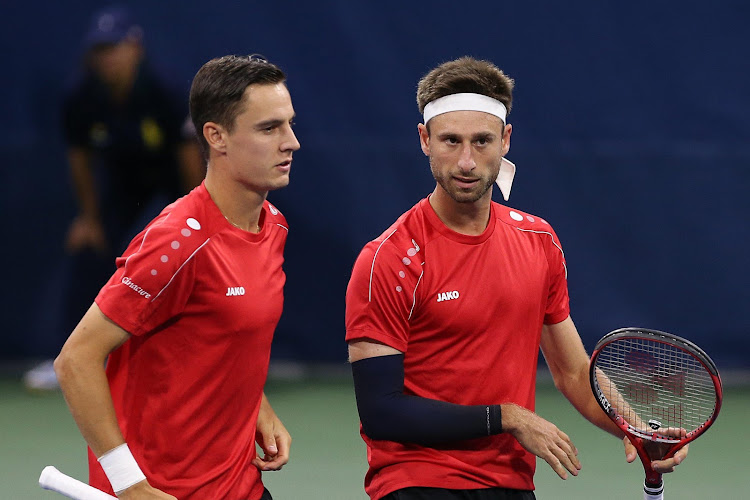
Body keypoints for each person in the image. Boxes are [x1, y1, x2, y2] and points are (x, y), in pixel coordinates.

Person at [344, 56, 688, 500]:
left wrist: (635, 429)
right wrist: (506, 417)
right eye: (450, 141)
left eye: (482, 141)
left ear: (506, 140)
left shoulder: (537, 240)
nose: (466, 161)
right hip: (417, 481)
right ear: (424, 140)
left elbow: (571, 370)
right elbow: (380, 412)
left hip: (510, 481)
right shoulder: (388, 259)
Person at [54, 54, 300, 499]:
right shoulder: (178, 243)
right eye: (270, 128)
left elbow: (223, 337)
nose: (291, 142)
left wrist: (258, 407)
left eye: (289, 124)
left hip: (241, 484)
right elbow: (75, 361)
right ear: (216, 136)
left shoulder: (273, 225)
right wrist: (129, 484)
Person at [24, 5, 203, 391]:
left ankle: (184, 358)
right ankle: (69, 356)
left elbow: (189, 160)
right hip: (123, 188)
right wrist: (89, 218)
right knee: (89, 246)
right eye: (101, 50)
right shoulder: (80, 96)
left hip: (175, 188)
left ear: (135, 46)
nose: (108, 58)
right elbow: (80, 161)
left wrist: (199, 218)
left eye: (115, 47)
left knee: (166, 254)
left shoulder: (166, 90)